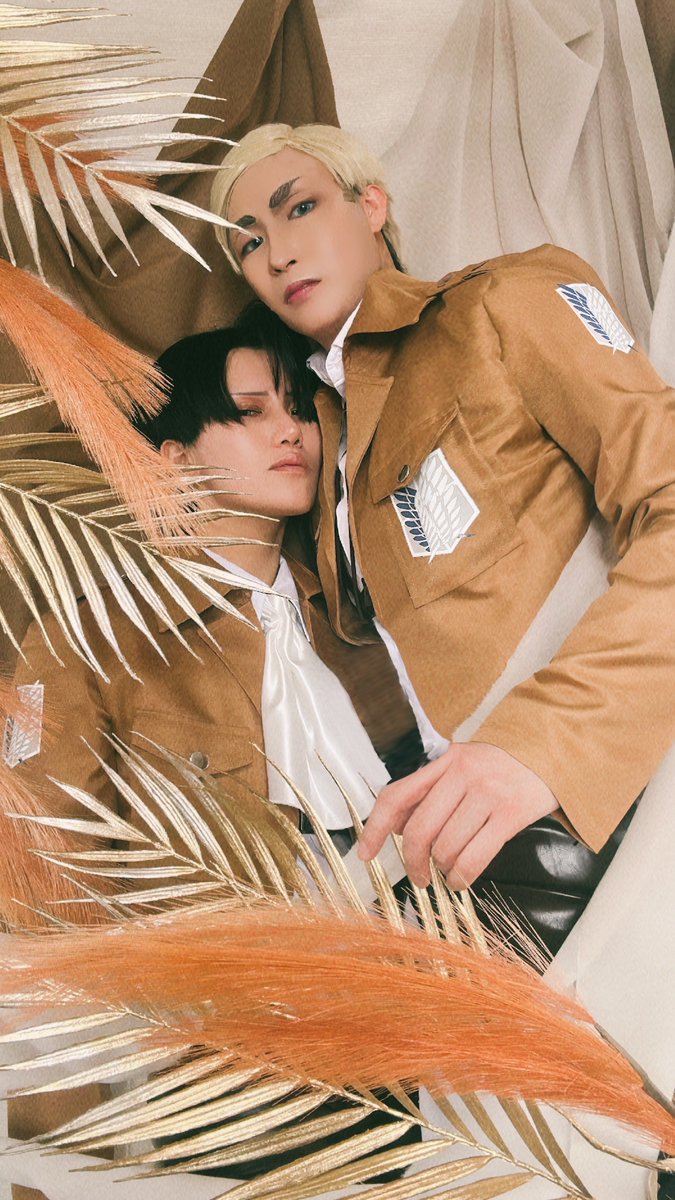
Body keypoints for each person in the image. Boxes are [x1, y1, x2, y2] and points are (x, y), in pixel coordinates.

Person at [209, 123, 675, 951]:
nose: (278, 255)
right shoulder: (313, 444)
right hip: (437, 856)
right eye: (249, 242)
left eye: (299, 208)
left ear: (371, 205)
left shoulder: (504, 302)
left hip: (586, 807)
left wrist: (543, 746)